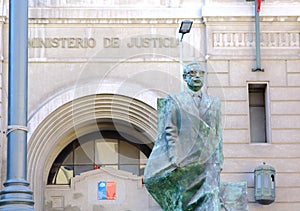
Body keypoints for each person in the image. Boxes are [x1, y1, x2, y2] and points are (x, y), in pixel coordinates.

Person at [144, 61, 223, 211]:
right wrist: (175, 156)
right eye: (192, 73)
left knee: (211, 197)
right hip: (185, 158)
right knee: (184, 200)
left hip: (207, 160)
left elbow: (217, 133)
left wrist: (218, 160)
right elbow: (170, 129)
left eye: (201, 73)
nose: (197, 76)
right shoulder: (175, 99)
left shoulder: (214, 102)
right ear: (185, 77)